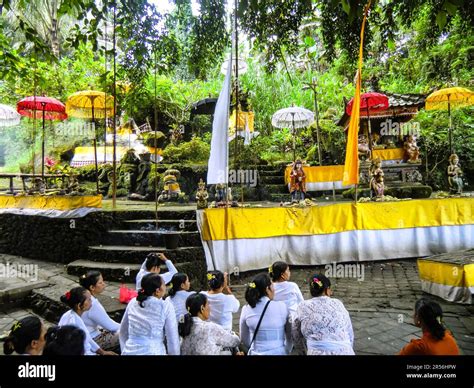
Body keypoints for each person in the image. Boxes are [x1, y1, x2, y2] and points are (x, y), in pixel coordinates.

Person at [292, 274, 354, 355]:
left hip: (316, 352)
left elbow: (295, 332)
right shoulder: (338, 303)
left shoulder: (303, 306)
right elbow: (349, 331)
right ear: (327, 290)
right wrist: (349, 348)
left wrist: (302, 351)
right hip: (345, 351)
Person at [120, 273, 180, 355]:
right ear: (157, 291)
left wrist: (125, 349)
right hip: (154, 351)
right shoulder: (165, 306)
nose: (166, 287)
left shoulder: (133, 302)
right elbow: (172, 339)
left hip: (129, 351)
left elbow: (123, 331)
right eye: (164, 284)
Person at [239, 273, 291, 355]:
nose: (274, 289)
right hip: (279, 352)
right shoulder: (282, 306)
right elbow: (290, 334)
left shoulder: (246, 309)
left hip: (256, 353)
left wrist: (255, 348)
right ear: (267, 289)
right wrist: (286, 349)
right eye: (272, 286)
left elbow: (244, 339)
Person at [58, 287, 117, 356]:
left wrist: (103, 352)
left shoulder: (69, 315)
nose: (92, 301)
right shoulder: (74, 324)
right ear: (79, 305)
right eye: (89, 299)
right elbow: (85, 351)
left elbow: (88, 339)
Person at [79, 271, 120, 352]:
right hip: (92, 340)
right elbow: (111, 326)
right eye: (100, 283)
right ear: (92, 287)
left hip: (85, 335)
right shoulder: (92, 304)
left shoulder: (80, 297)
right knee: (126, 332)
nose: (104, 284)